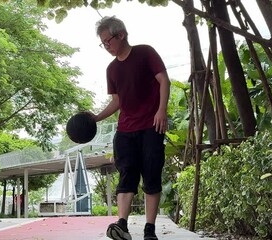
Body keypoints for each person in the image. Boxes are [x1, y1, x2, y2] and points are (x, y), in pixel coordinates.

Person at [91, 16, 170, 240]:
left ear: (121, 35)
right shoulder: (111, 69)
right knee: (126, 177)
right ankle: (122, 225)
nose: (106, 47)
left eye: (108, 41)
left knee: (152, 177)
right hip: (125, 131)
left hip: (151, 126)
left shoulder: (145, 53)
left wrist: (161, 110)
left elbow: (164, 80)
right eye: (103, 44)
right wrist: (96, 117)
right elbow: (117, 102)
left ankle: (149, 230)